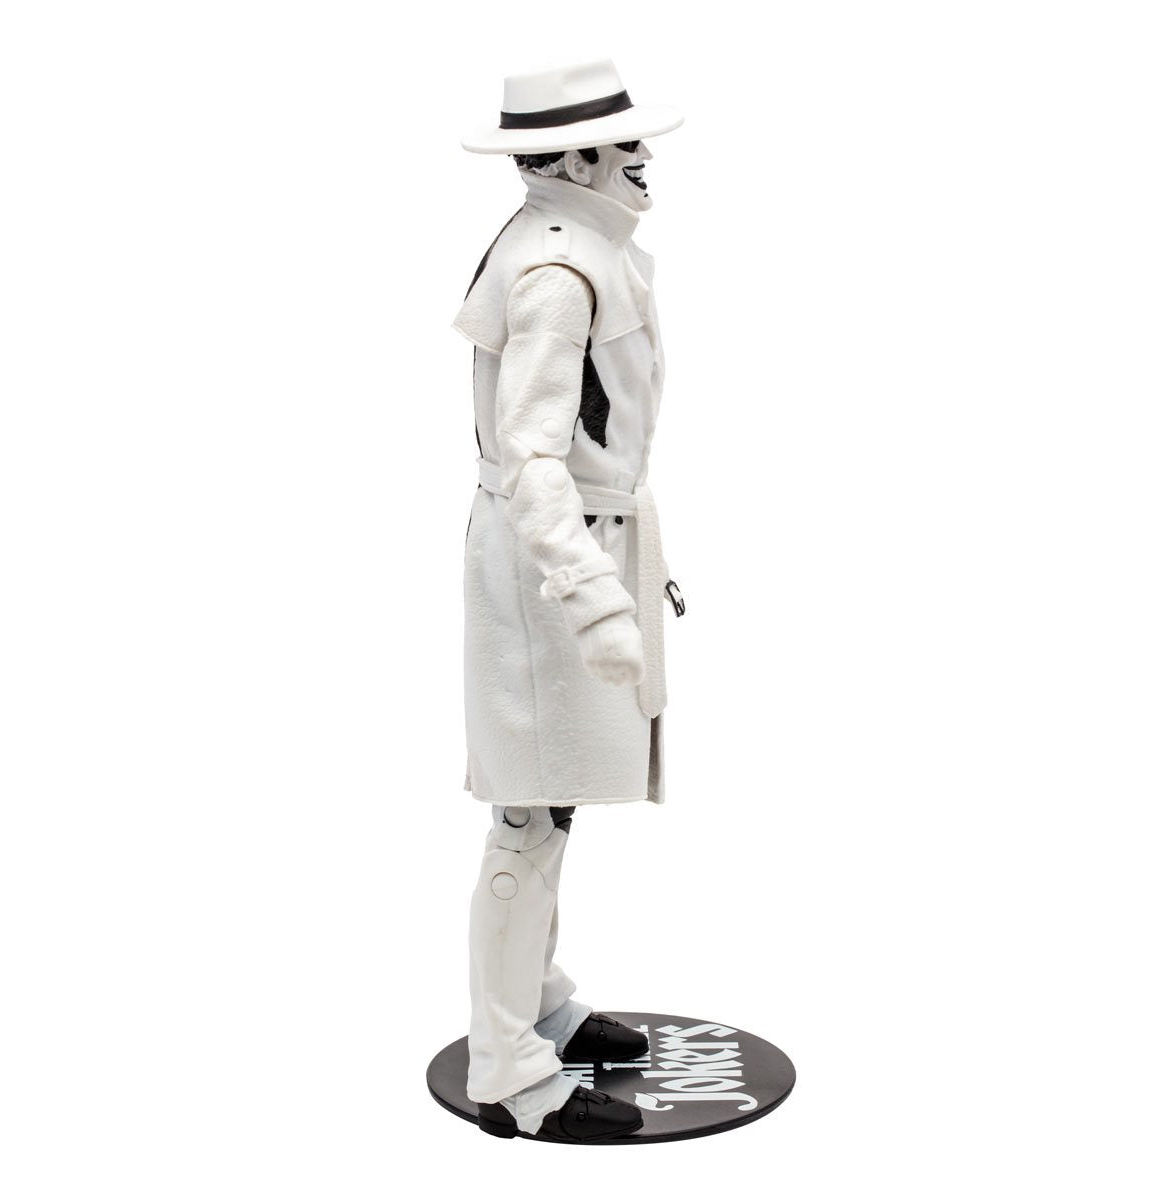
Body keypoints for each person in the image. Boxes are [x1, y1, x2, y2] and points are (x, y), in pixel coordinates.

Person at [455, 59, 684, 1143]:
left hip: (571, 550)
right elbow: (534, 461)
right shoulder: (559, 269)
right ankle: (511, 1072)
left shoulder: (578, 248)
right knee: (529, 815)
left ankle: (539, 1005)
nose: (643, 159)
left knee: (552, 803)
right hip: (551, 567)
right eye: (625, 144)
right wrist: (592, 596)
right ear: (578, 158)